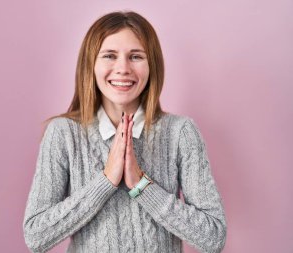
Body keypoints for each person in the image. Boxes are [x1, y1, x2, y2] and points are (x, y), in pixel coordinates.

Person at [23, 11, 227, 253]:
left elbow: (213, 237)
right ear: (91, 64)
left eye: (136, 56)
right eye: (109, 55)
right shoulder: (63, 133)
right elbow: (36, 235)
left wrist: (141, 185)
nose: (123, 68)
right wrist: (106, 181)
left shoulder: (181, 132)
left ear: (152, 66)